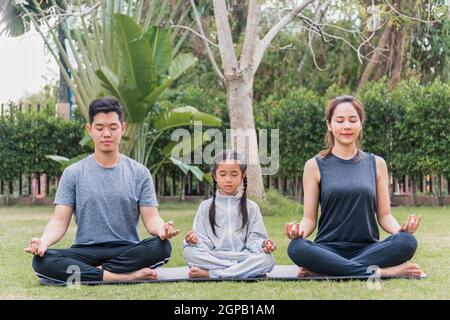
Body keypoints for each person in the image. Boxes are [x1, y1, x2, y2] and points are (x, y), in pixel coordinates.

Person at [25, 96, 180, 283]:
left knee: (161, 247)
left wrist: (162, 230)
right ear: (90, 130)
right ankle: (124, 277)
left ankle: (91, 274)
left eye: (113, 128)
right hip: (85, 251)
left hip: (126, 250)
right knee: (43, 262)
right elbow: (59, 221)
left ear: (122, 128)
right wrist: (44, 241)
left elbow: (152, 218)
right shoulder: (73, 173)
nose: (106, 133)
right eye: (99, 128)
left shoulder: (140, 173)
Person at [286, 95, 424, 278]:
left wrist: (401, 231)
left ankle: (328, 270)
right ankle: (381, 272)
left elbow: (384, 215)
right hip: (328, 249)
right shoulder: (314, 165)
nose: (347, 126)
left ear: (360, 124)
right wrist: (298, 231)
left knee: (407, 242)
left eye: (353, 120)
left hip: (369, 248)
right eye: (340, 120)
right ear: (329, 124)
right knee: (297, 247)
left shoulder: (377, 163)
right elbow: (309, 219)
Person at [183, 150, 276, 279]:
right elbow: (203, 242)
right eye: (222, 174)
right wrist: (194, 240)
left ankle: (213, 274)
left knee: (268, 259)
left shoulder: (251, 207)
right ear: (215, 177)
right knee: (189, 252)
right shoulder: (205, 207)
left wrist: (263, 245)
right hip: (215, 256)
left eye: (234, 174)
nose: (228, 179)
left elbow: (254, 241)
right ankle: (240, 271)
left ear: (242, 176)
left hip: (243, 256)